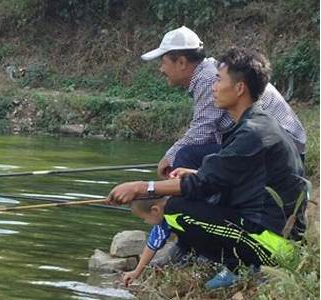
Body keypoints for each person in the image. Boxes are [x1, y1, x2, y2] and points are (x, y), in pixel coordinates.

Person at [108, 47, 307, 289]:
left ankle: (241, 267)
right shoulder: (253, 125)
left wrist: (142, 187)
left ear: (239, 88)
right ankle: (237, 264)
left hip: (274, 245)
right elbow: (227, 176)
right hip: (274, 234)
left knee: (176, 210)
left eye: (219, 80)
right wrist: (194, 173)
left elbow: (203, 184)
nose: (213, 87)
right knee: (193, 190)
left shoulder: (253, 133)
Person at [140, 26, 306, 178]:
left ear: (182, 62)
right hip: (279, 148)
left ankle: (184, 205)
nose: (161, 69)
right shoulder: (209, 73)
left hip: (278, 151)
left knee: (186, 155)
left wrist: (169, 157)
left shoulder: (207, 78)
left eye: (163, 62)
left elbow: (202, 130)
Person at [122, 197, 171, 287]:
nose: (145, 221)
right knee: (162, 263)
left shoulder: (172, 215)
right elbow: (151, 246)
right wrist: (136, 272)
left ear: (155, 210)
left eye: (144, 218)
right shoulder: (162, 223)